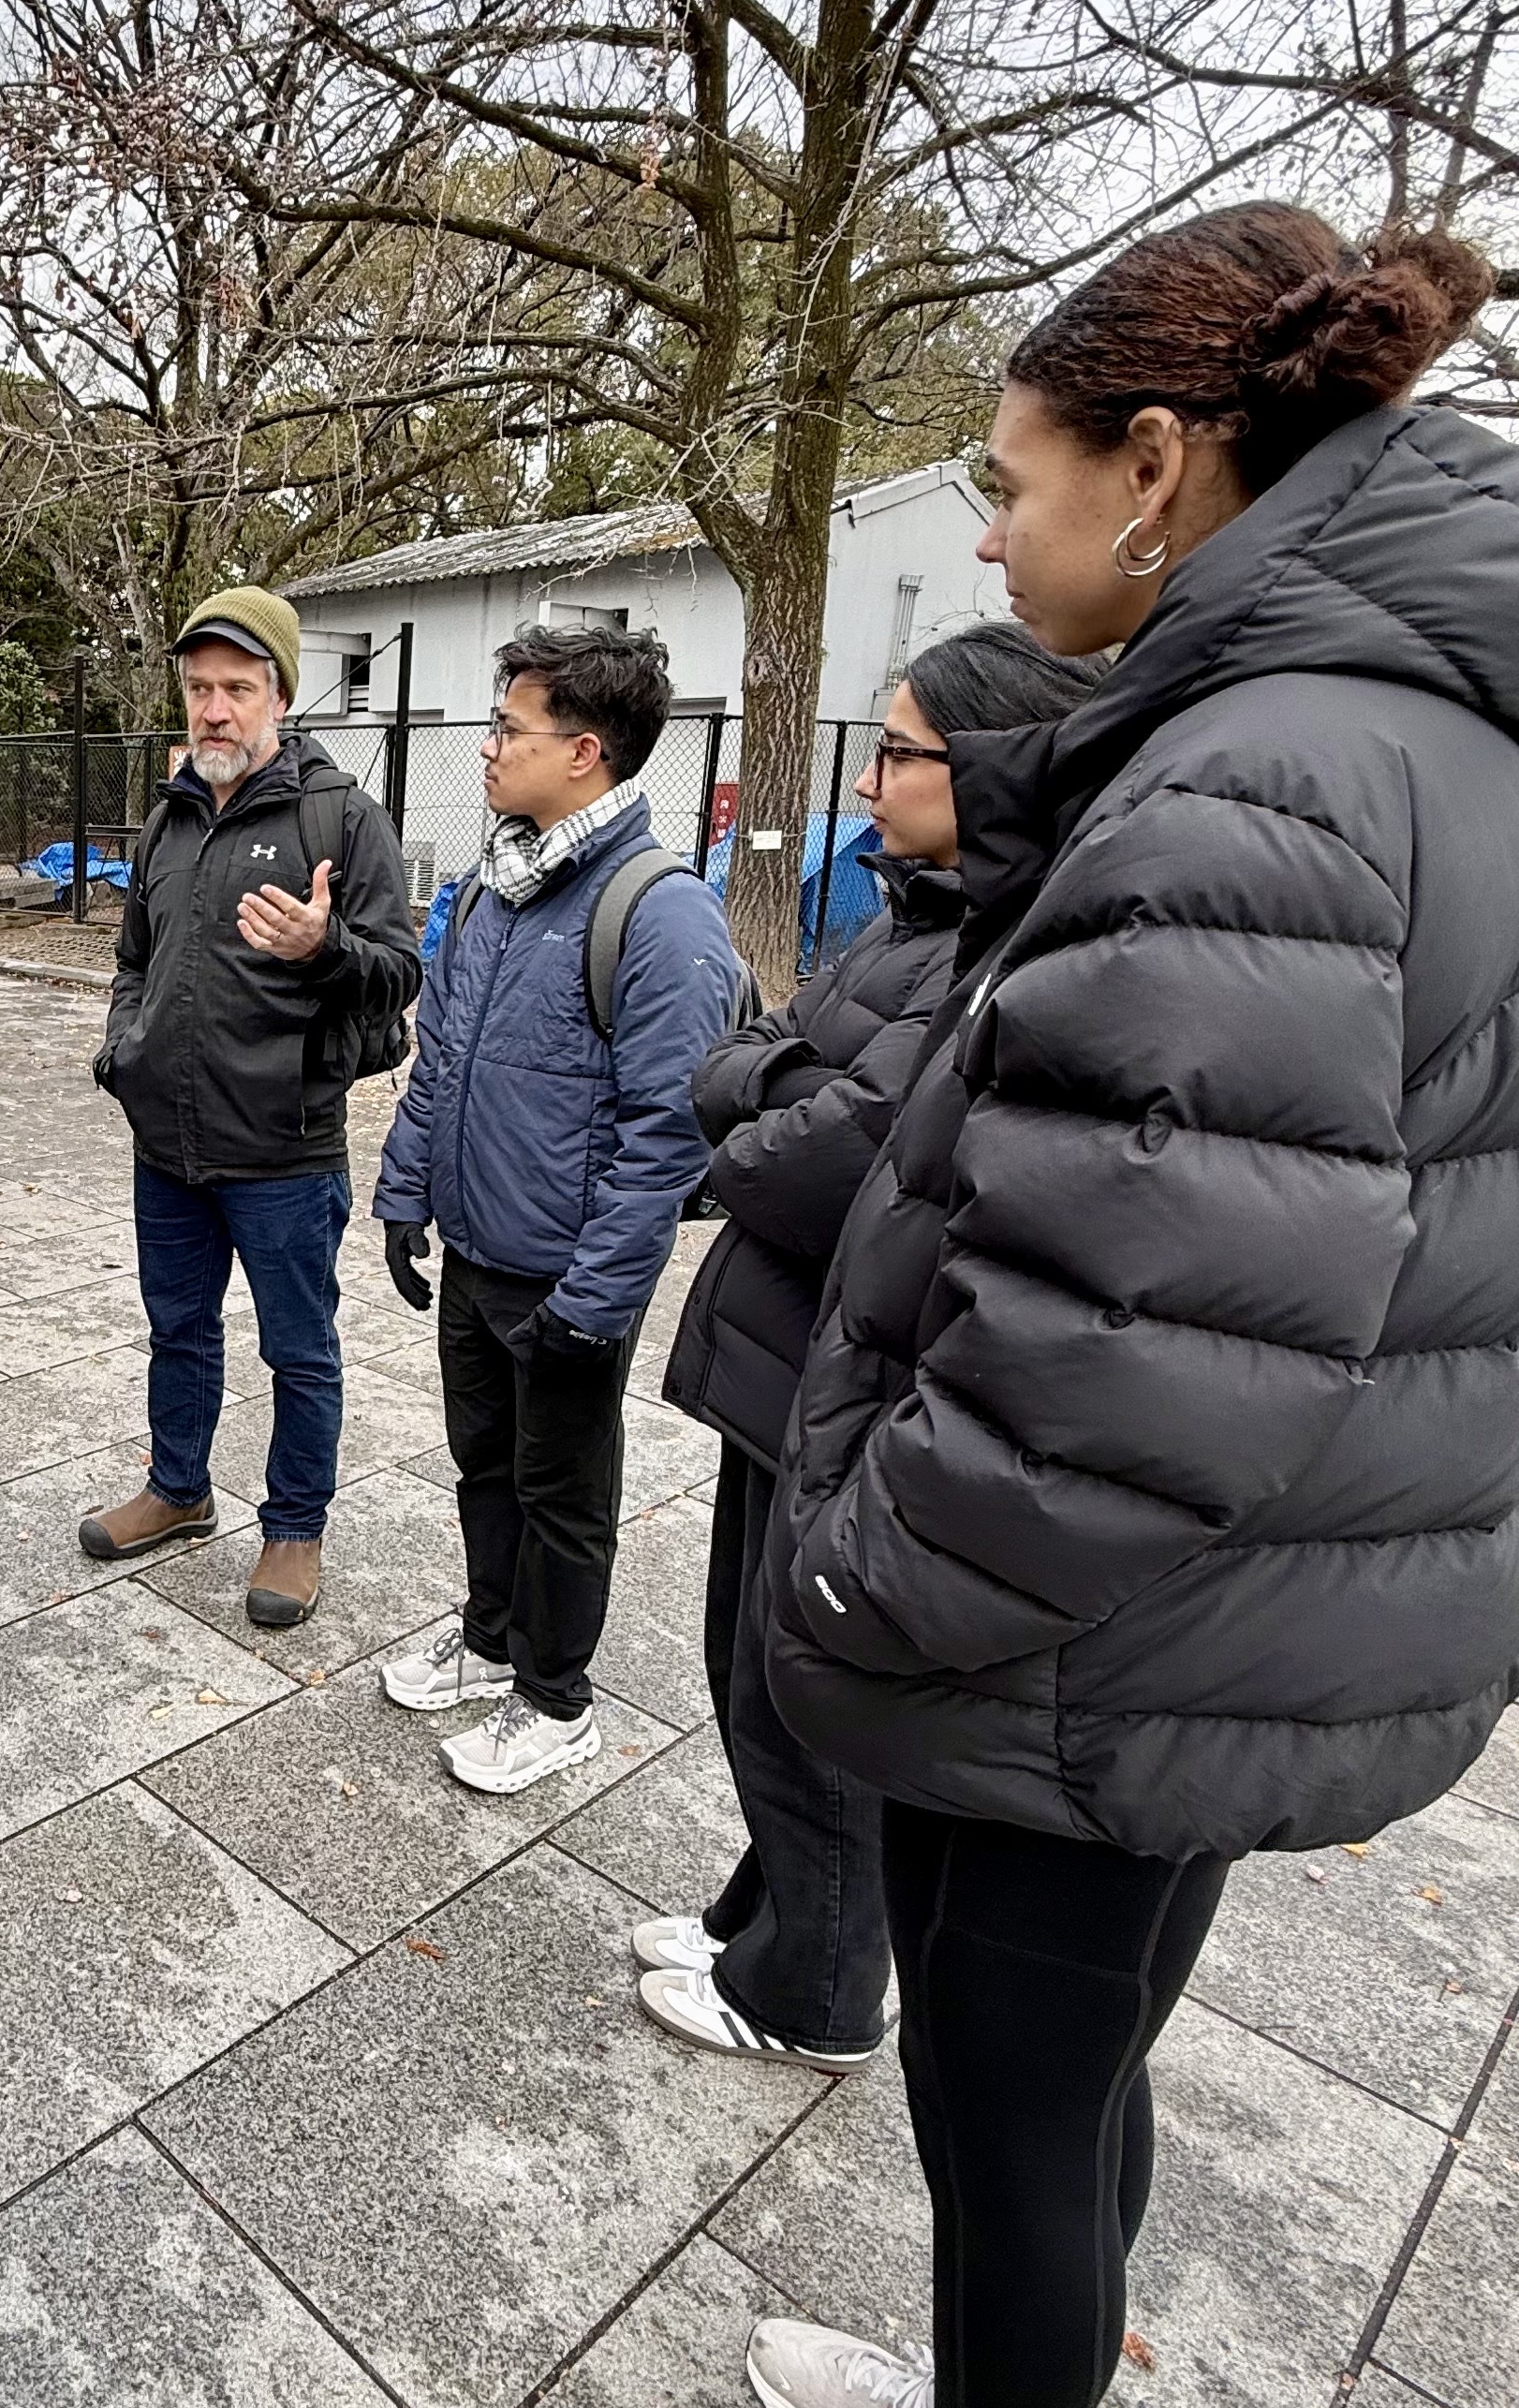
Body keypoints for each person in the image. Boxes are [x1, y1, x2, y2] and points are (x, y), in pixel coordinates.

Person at [668, 203, 1515, 2408]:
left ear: (1165, 470)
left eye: (1019, 480)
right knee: (1082, 2072)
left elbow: (1129, 1368)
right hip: (1262, 1602)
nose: (998, 530)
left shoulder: (1272, 777)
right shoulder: (1411, 733)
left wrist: (849, 1590)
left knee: (1014, 2097)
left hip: (1101, 1634)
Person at [647, 623, 1101, 2061]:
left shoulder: (1006, 945)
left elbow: (824, 1158)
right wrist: (770, 1089)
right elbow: (747, 1057)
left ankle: (817, 1988)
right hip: (783, 1358)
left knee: (804, 1699)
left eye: (898, 753)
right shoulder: (910, 916)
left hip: (850, 1385)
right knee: (745, 1661)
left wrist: (754, 1113)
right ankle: (761, 1915)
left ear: (990, 767)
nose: (868, 783)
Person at [374, 625, 742, 1789]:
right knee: (484, 1461)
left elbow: (665, 1136)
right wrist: (404, 1192)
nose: (487, 749)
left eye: (509, 732)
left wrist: (596, 1298)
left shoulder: (660, 911)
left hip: (567, 1277)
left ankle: (555, 1693)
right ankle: (492, 1639)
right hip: (478, 1249)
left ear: (584, 752)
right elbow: (442, 1059)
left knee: (564, 1490)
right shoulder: (499, 879)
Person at [79, 583, 420, 1632]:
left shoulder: (341, 817)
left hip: (284, 1148)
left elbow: (401, 971)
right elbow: (136, 956)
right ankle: (179, 1490)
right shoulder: (170, 817)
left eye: (236, 688)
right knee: (177, 1329)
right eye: (198, 689)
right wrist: (122, 1049)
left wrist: (325, 948)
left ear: (280, 692)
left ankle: (294, 1527)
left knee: (298, 1348)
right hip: (167, 1142)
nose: (214, 709)